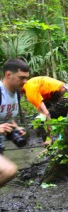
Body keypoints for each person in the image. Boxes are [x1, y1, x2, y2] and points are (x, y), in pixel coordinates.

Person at [0, 59, 30, 188]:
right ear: (8, 75)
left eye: (26, 78)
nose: (25, 82)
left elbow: (6, 117)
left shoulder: (16, 93)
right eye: (21, 78)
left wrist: (16, 127)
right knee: (9, 170)